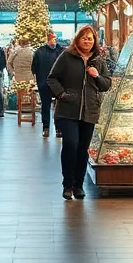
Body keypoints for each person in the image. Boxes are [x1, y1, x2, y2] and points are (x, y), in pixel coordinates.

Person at [47, 25, 112, 200]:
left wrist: (97, 76)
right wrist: (61, 94)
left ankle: (78, 185)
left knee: (83, 148)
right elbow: (52, 78)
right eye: (84, 38)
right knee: (71, 144)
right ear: (77, 39)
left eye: (90, 38)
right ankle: (67, 184)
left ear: (94, 41)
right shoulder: (67, 57)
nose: (87, 41)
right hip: (68, 110)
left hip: (90, 110)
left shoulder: (99, 60)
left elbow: (106, 85)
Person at [32, 29, 66, 139]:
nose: (53, 40)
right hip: (44, 83)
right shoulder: (39, 52)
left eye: (54, 38)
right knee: (45, 107)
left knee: (59, 107)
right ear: (47, 39)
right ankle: (46, 128)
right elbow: (34, 68)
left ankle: (59, 128)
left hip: (58, 84)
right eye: (51, 38)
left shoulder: (62, 51)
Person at [8, 38, 35, 112]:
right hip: (29, 75)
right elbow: (35, 64)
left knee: (20, 92)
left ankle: (20, 107)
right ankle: (29, 107)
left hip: (18, 75)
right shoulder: (32, 52)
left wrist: (13, 72)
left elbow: (9, 63)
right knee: (29, 92)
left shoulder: (15, 51)